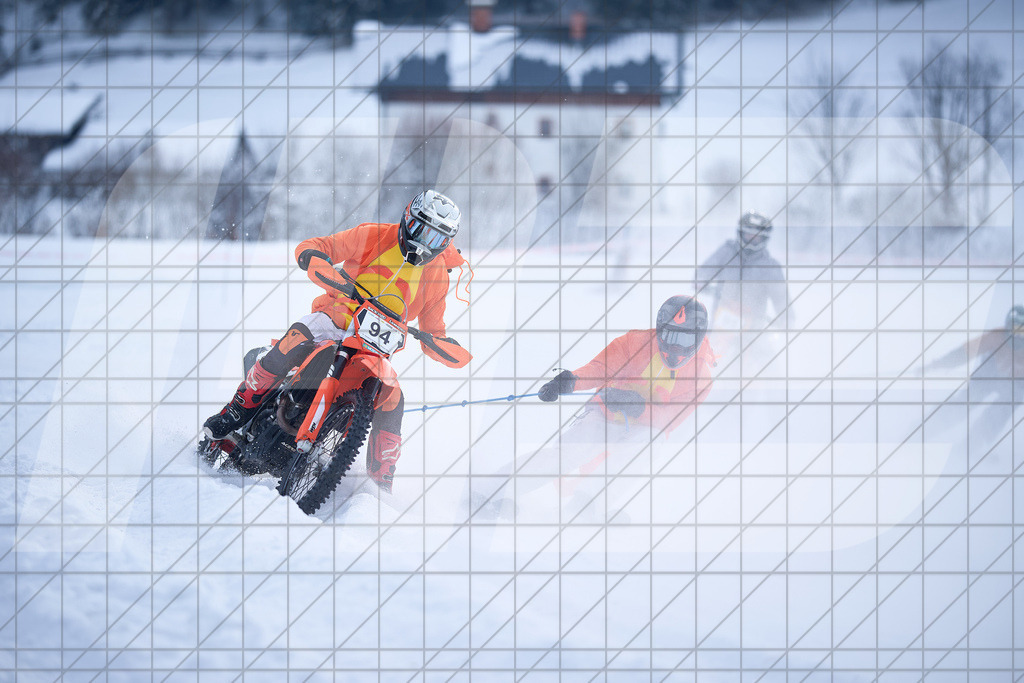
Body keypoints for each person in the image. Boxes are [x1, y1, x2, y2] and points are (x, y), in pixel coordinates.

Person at [202, 189, 471, 492]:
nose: (425, 243)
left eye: (437, 238)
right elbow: (319, 246)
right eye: (421, 230)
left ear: (447, 242)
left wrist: (443, 345)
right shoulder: (372, 235)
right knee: (295, 339)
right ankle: (237, 410)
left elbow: (433, 329)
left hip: (374, 350)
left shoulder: (438, 276)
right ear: (408, 219)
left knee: (394, 399)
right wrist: (315, 258)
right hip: (333, 320)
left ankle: (380, 482)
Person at [538, 295, 716, 438]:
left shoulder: (701, 379)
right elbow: (600, 368)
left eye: (685, 339)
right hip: (603, 412)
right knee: (565, 456)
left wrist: (638, 407)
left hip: (644, 432)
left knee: (641, 449)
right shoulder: (635, 343)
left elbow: (670, 419)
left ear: (699, 338)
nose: (674, 347)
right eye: (669, 336)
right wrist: (570, 382)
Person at [696, 210, 791, 367]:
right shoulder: (727, 251)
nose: (752, 239)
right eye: (748, 234)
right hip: (723, 319)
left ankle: (773, 381)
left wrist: (787, 317)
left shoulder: (770, 265)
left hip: (754, 323)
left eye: (757, 236)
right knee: (704, 355)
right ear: (741, 233)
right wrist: (700, 280)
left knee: (767, 362)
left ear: (764, 238)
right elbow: (705, 269)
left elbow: (781, 296)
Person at [925, 304, 1024, 439]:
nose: (1017, 336)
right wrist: (936, 365)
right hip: (988, 375)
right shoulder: (996, 336)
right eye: (1014, 330)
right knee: (963, 404)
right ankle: (922, 431)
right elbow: (964, 353)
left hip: (1016, 385)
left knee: (999, 413)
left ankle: (972, 444)